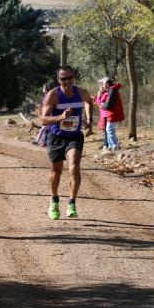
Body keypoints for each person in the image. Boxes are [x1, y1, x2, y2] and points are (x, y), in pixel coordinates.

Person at [41, 66, 93, 220]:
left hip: (74, 136)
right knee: (56, 172)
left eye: (69, 77)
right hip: (56, 137)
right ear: (59, 80)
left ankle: (72, 204)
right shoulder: (53, 95)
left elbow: (89, 102)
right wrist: (60, 117)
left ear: (73, 77)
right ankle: (54, 201)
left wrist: (89, 120)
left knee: (74, 168)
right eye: (63, 79)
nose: (67, 81)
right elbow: (43, 120)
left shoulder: (80, 92)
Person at [99, 77, 124, 151]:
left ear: (106, 83)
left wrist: (102, 104)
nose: (102, 86)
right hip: (113, 113)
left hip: (113, 113)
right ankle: (111, 145)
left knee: (109, 129)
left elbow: (109, 105)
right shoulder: (112, 89)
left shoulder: (112, 90)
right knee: (109, 129)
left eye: (103, 84)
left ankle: (114, 146)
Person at [33, 81, 55, 147]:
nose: (42, 89)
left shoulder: (50, 96)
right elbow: (42, 106)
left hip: (50, 116)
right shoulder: (45, 96)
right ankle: (44, 142)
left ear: (47, 89)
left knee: (43, 129)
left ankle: (37, 141)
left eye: (44, 88)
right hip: (45, 116)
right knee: (46, 130)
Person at [92, 82, 109, 150]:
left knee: (105, 130)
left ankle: (106, 144)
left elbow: (100, 103)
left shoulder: (106, 94)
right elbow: (98, 102)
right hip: (103, 114)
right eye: (100, 88)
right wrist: (94, 99)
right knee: (104, 130)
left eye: (102, 87)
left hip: (105, 114)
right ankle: (105, 143)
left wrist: (98, 97)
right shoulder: (103, 94)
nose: (100, 89)